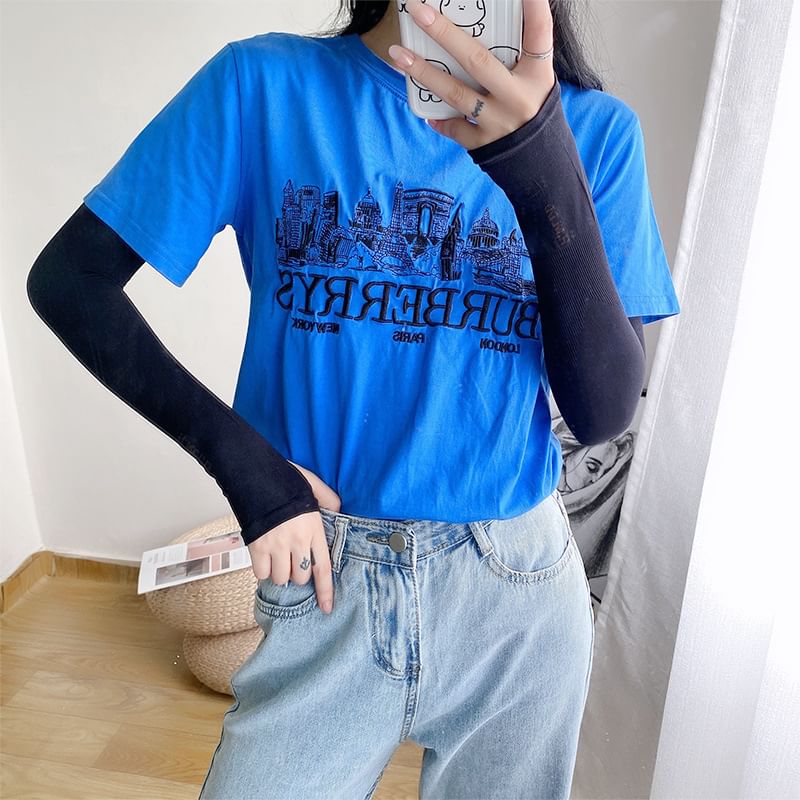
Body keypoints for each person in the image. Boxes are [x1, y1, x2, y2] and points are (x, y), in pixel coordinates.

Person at [26, 0, 680, 797]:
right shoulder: (263, 87)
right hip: (325, 573)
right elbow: (71, 282)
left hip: (514, 593)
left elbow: (603, 412)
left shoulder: (597, 132)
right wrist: (247, 467)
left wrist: (542, 167)